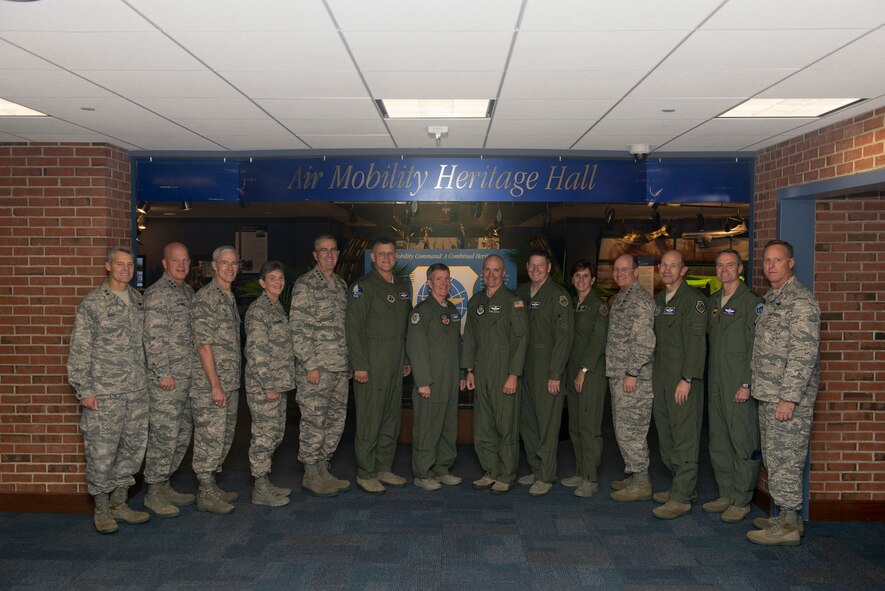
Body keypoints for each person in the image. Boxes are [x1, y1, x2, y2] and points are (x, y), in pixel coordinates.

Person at [68, 246, 150, 534]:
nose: (126, 269)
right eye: (120, 264)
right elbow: (79, 351)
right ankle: (101, 509)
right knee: (102, 453)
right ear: (108, 266)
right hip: (105, 394)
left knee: (131, 451)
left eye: (130, 265)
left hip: (137, 392)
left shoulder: (138, 302)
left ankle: (119, 503)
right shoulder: (93, 304)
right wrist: (85, 390)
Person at [747, 239, 820, 546]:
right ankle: (785, 516)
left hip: (786, 399)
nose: (771, 265)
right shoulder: (773, 298)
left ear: (791, 263)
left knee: (787, 457)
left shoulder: (801, 302)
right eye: (767, 261)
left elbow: (804, 354)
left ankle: (788, 524)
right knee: (776, 457)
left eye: (777, 260)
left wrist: (789, 397)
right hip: (769, 393)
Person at [346, 238, 412, 495]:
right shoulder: (362, 288)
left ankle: (384, 466)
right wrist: (359, 365)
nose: (386, 258)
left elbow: (405, 329)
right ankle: (366, 471)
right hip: (371, 364)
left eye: (390, 254)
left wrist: (405, 359)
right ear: (373, 257)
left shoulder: (402, 287)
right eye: (381, 254)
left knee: (390, 418)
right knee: (369, 419)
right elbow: (354, 329)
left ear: (396, 257)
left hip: (395, 363)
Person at [703, 249, 763, 524]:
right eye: (719, 265)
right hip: (716, 381)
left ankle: (742, 498)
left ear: (740, 268)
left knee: (742, 439)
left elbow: (756, 347)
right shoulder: (714, 300)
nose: (724, 270)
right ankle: (726, 492)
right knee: (718, 439)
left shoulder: (751, 302)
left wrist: (747, 383)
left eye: (729, 265)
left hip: (738, 382)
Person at [290, 235, 351, 498]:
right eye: (323, 251)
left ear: (338, 254)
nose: (328, 255)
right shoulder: (305, 285)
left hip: (339, 368)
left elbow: (346, 328)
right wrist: (311, 365)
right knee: (314, 421)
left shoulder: (340, 285)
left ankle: (324, 468)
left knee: (336, 421)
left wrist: (349, 362)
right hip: (316, 370)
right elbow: (298, 328)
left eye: (333, 250)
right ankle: (311, 473)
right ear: (315, 255)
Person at [463, 254, 528, 495]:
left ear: (504, 274)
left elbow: (521, 341)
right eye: (487, 270)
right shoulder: (476, 302)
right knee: (484, 425)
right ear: (482, 273)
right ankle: (490, 470)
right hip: (482, 372)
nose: (491, 274)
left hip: (504, 372)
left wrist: (513, 374)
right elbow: (469, 337)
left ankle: (506, 474)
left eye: (496, 270)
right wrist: (469, 370)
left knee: (506, 425)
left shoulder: (514, 303)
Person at [650, 249, 707, 520]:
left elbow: (697, 345)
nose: (668, 270)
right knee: (665, 433)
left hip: (683, 380)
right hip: (661, 378)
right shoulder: (660, 300)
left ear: (683, 270)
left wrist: (687, 379)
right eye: (664, 265)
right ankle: (683, 485)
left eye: (674, 266)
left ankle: (682, 497)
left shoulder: (693, 301)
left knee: (684, 436)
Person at [142, 242, 196, 518]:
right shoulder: (157, 294)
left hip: (187, 379)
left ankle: (165, 483)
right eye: (176, 260)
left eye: (185, 260)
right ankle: (153, 491)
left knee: (181, 434)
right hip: (167, 381)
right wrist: (163, 373)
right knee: (163, 437)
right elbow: (153, 339)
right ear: (164, 263)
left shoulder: (187, 292)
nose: (182, 265)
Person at [515, 250, 574, 497]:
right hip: (523, 369)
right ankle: (536, 468)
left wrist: (555, 373)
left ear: (549, 268)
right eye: (532, 265)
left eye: (541, 265)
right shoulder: (519, 294)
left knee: (548, 424)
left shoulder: (559, 297)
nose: (536, 269)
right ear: (527, 267)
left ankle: (547, 475)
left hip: (547, 370)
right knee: (527, 422)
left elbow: (564, 339)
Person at [190, 245, 242, 515]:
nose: (230, 267)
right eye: (225, 263)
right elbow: (204, 345)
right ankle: (205, 491)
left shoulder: (228, 296)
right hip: (212, 385)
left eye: (234, 263)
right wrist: (215, 385)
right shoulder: (206, 298)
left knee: (223, 436)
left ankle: (212, 486)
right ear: (214, 265)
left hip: (229, 382)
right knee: (210, 437)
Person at [406, 264, 464, 491]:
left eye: (447, 279)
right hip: (429, 382)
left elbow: (457, 348)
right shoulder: (421, 313)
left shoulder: (451, 310)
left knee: (448, 426)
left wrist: (460, 375)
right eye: (438, 279)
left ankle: (442, 468)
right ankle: (423, 472)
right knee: (427, 429)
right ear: (429, 283)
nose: (444, 283)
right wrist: (422, 382)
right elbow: (416, 349)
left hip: (449, 380)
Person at [244, 261, 295, 507]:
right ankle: (260, 488)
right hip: (266, 386)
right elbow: (257, 353)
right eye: (272, 278)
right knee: (264, 436)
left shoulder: (277, 307)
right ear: (262, 282)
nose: (277, 282)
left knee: (274, 434)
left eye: (281, 277)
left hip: (279, 384)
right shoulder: (259, 311)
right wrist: (268, 386)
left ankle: (265, 481)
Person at [606, 254, 656, 503]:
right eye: (616, 269)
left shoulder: (639, 300)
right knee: (623, 428)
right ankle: (635, 474)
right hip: (619, 375)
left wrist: (632, 372)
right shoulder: (622, 298)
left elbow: (645, 341)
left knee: (632, 430)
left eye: (625, 269)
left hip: (633, 379)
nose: (620, 273)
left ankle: (642, 482)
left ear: (636, 272)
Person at [562, 260, 609, 499]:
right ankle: (581, 471)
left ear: (593, 280)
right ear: (572, 280)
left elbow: (597, 342)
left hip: (589, 374)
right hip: (573, 372)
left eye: (586, 276)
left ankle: (590, 478)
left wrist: (583, 370)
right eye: (577, 275)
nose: (581, 279)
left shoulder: (598, 307)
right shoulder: (572, 305)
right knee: (576, 425)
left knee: (589, 427)